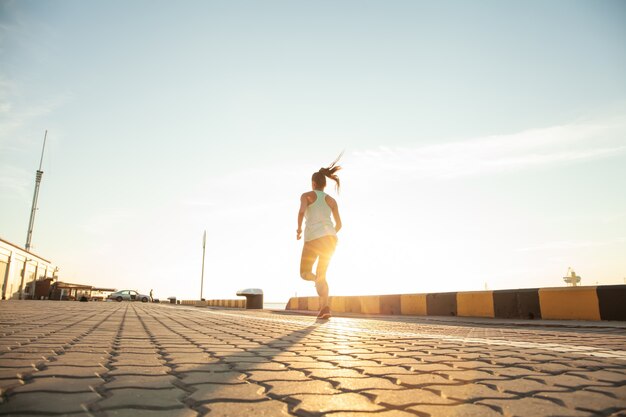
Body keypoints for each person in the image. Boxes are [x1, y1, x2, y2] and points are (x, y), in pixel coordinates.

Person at [297, 155, 343, 320]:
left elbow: (302, 211)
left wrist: (298, 229)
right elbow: (339, 225)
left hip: (312, 240)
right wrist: (329, 235)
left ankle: (317, 281)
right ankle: (325, 308)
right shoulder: (331, 200)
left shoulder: (306, 195)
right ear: (324, 184)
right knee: (322, 274)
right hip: (330, 240)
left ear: (313, 183)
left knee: (304, 273)